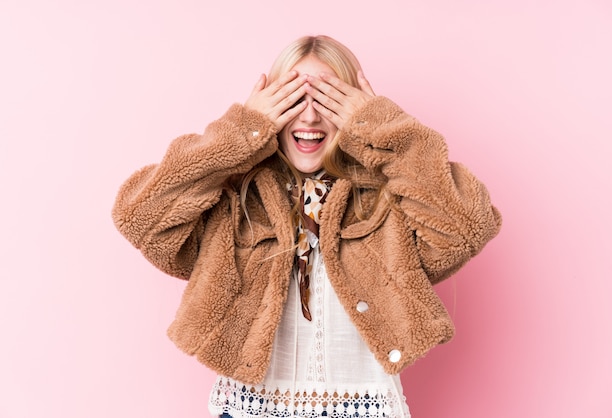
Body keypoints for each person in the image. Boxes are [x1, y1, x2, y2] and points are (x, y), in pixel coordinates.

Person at [112, 35, 502, 418]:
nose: (311, 117)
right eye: (294, 99)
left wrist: (386, 130)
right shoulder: (237, 197)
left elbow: (466, 226)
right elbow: (140, 217)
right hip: (251, 409)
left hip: (363, 407)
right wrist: (240, 133)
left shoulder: (387, 199)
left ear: (353, 110)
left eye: (327, 100)